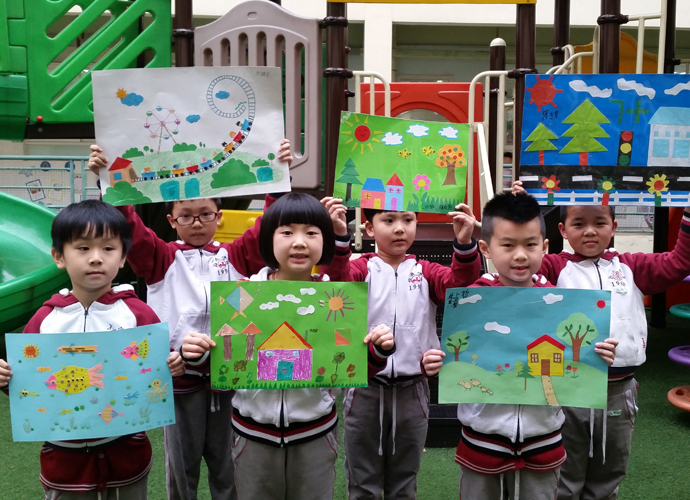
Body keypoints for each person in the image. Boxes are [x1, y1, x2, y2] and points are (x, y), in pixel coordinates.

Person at [88, 141, 293, 500]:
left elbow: (267, 227)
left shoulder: (236, 255)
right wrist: (108, 179)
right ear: (171, 221)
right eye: (186, 216)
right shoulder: (161, 258)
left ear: (220, 216)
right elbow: (129, 226)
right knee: (182, 470)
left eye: (205, 214)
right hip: (179, 380)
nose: (196, 222)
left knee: (229, 465)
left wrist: (279, 177)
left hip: (230, 379)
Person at [181, 192, 396, 500]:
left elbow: (351, 363)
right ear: (268, 240)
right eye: (286, 232)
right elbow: (224, 358)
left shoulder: (336, 300)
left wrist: (378, 350)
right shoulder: (243, 294)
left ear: (326, 241)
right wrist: (198, 353)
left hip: (315, 434)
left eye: (311, 233)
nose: (299, 242)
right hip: (252, 434)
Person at [422, 192, 619, 500]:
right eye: (508, 245)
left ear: (545, 246)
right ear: (486, 248)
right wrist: (435, 364)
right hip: (482, 439)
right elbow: (453, 362)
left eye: (530, 244)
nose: (520, 255)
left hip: (544, 439)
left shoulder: (560, 302)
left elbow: (578, 366)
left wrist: (599, 354)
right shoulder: (471, 300)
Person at [512, 181, 690, 500]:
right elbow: (519, 266)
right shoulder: (553, 267)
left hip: (618, 390)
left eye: (600, 222)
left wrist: (688, 213)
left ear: (614, 227)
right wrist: (522, 213)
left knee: (610, 471)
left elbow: (679, 262)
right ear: (563, 230)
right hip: (567, 390)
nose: (590, 231)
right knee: (565, 471)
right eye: (579, 223)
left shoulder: (632, 267)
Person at [0, 199, 184, 499]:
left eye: (108, 248)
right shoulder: (45, 319)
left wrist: (174, 366)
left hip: (127, 456)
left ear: (123, 257)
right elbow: (27, 386)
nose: (96, 258)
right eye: (83, 248)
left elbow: (158, 374)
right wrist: (7, 379)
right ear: (59, 256)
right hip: (64, 463)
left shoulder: (138, 314)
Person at [319, 199, 481, 499]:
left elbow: (460, 287)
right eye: (389, 220)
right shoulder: (361, 268)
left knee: (405, 481)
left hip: (413, 389)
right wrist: (339, 236)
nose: (399, 228)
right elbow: (337, 285)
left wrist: (463, 243)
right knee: (362, 481)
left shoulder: (426, 271)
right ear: (369, 228)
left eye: (408, 220)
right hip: (364, 388)